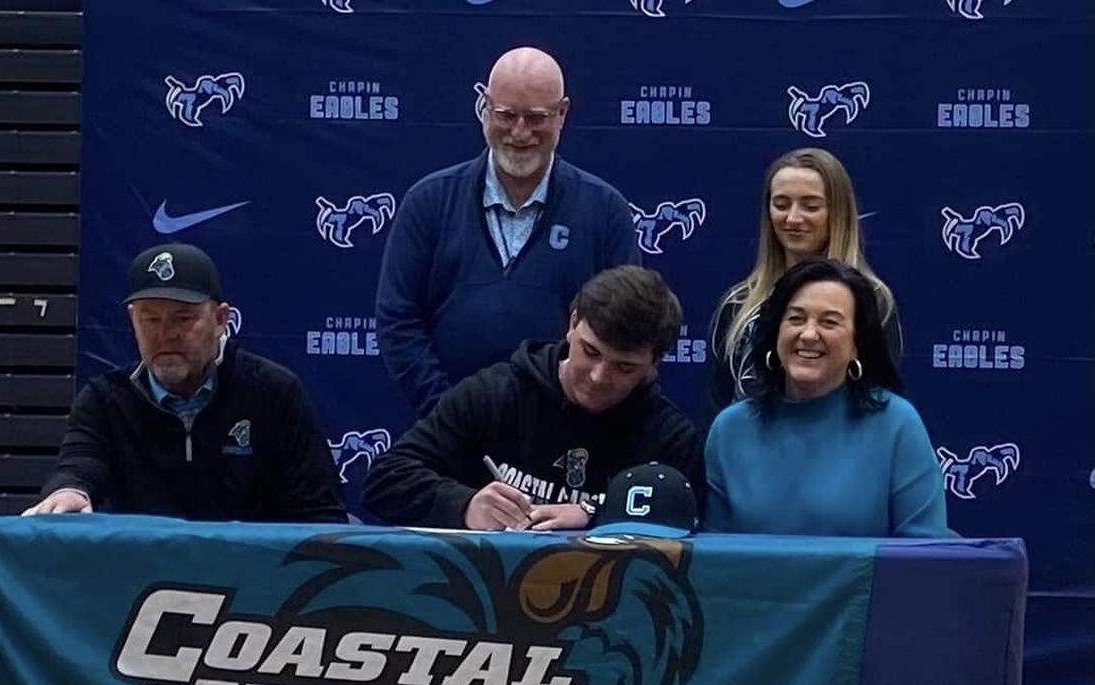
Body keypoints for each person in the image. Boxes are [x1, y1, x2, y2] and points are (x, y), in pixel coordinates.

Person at [375, 47, 641, 418]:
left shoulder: (606, 211)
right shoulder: (429, 201)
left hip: (569, 434)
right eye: (506, 115)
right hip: (443, 434)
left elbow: (624, 330)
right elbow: (398, 320)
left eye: (536, 118)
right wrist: (450, 415)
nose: (519, 132)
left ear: (562, 114)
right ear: (484, 106)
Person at [25, 243, 346, 523]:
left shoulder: (274, 391)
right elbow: (79, 466)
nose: (166, 334)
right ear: (132, 322)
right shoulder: (104, 399)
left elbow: (319, 512)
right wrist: (69, 492)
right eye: (151, 319)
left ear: (220, 320)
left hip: (255, 579)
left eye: (183, 318)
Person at [364, 266, 700, 532]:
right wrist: (464, 506)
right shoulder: (495, 393)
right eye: (590, 351)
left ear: (655, 361)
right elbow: (385, 479)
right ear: (572, 323)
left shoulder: (668, 438)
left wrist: (593, 515)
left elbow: (686, 527)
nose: (599, 376)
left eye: (624, 367)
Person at [703, 259, 947, 538]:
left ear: (857, 343)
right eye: (795, 318)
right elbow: (713, 558)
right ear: (775, 332)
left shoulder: (897, 424)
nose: (808, 334)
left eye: (829, 322)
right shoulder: (731, 429)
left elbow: (926, 557)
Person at [707, 147, 902, 417]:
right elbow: (716, 407)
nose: (793, 218)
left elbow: (881, 403)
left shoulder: (873, 301)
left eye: (810, 206)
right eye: (781, 204)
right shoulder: (738, 303)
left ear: (837, 213)